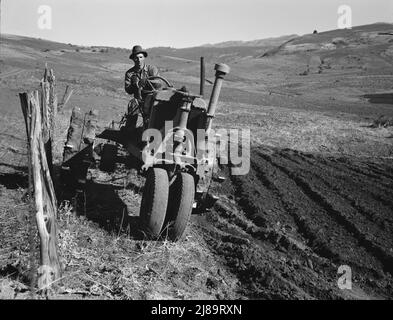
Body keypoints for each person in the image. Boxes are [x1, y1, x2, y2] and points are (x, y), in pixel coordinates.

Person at [124, 45, 161, 131]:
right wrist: (136, 84)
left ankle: (151, 130)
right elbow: (128, 90)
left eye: (141, 57)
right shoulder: (129, 73)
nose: (139, 60)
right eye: (136, 58)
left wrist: (147, 81)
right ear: (133, 59)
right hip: (138, 100)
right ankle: (130, 131)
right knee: (133, 103)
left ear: (144, 58)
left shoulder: (152, 69)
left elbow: (159, 83)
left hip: (152, 98)